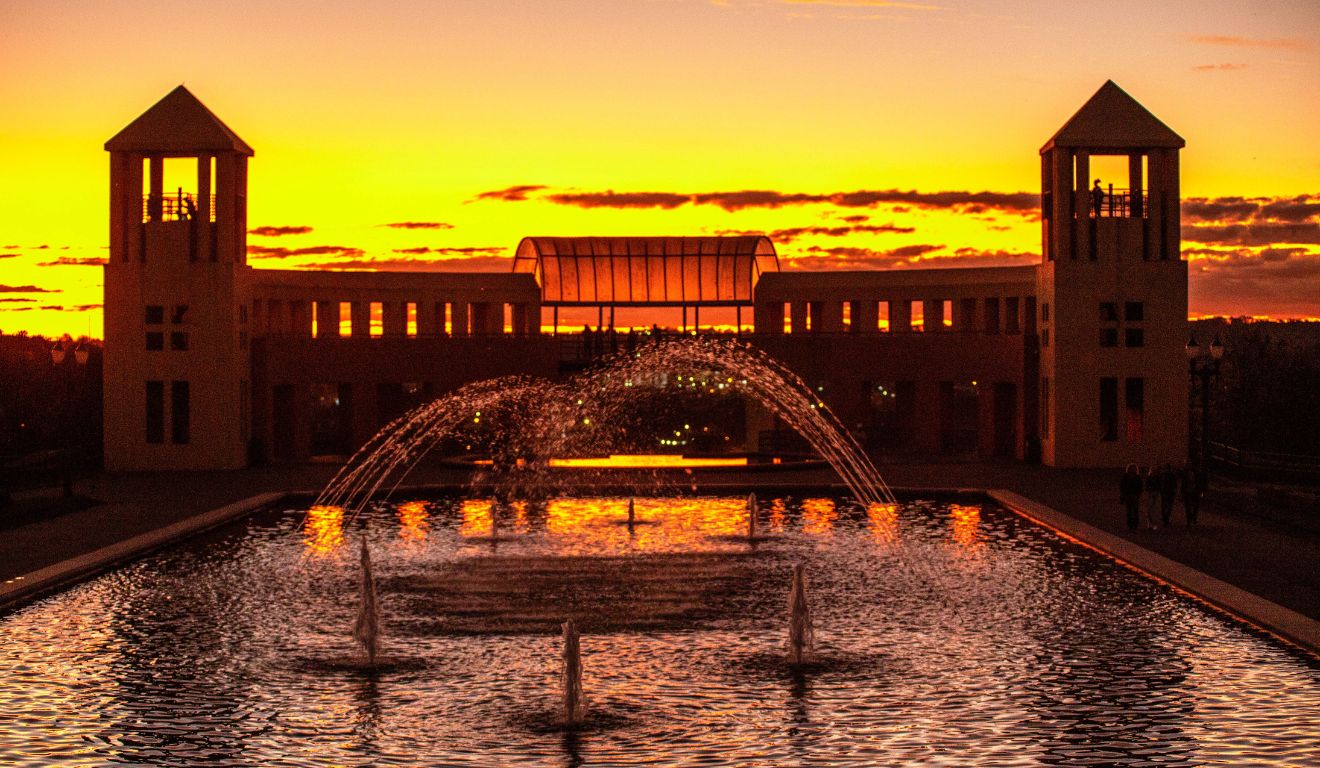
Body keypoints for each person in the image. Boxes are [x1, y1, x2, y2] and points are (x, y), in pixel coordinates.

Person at [1120, 464, 1143, 531]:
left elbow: (1140, 486)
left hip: (1135, 495)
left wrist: (1138, 494)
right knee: (1129, 511)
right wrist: (1123, 494)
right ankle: (1130, 525)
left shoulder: (1137, 477)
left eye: (1133, 468)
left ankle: (1135, 524)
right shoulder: (1125, 477)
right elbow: (1122, 486)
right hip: (1128, 495)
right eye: (1131, 468)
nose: (1132, 470)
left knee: (1135, 510)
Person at [1158, 463, 1178, 527]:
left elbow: (1174, 484)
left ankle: (1165, 519)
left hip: (1168, 492)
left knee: (1167, 506)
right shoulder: (1163, 475)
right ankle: (1165, 519)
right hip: (1166, 492)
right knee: (1166, 506)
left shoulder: (1168, 475)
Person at [1142, 465, 1161, 529]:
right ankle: (1149, 523)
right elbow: (1146, 486)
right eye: (1153, 470)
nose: (1154, 471)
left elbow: (1159, 485)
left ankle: (1154, 524)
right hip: (1150, 494)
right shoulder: (1149, 478)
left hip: (1156, 494)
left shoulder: (1158, 478)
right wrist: (1150, 489)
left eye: (1155, 470)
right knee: (1149, 509)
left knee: (1155, 509)